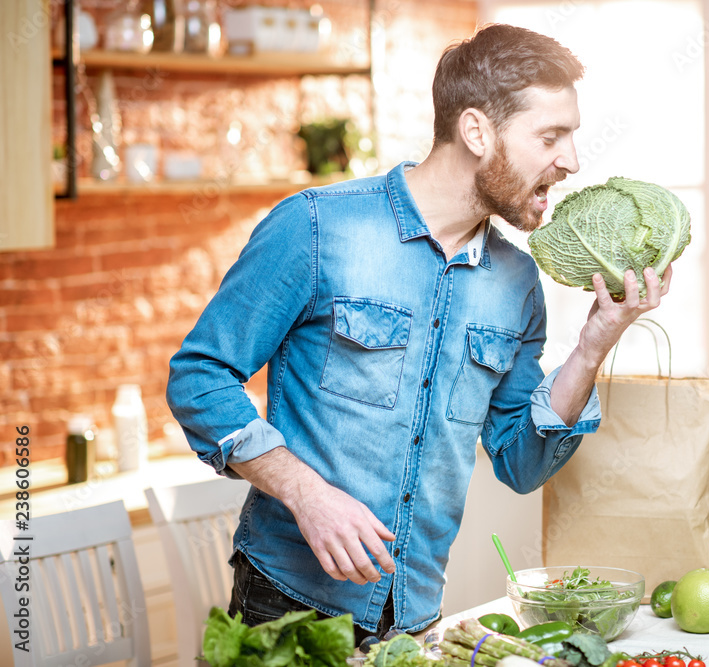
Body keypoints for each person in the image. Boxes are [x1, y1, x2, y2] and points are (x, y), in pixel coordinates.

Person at [166, 23, 672, 645]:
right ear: (477, 131)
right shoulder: (318, 228)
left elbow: (520, 461)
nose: (571, 160)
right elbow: (199, 376)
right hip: (287, 607)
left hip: (417, 620)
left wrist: (596, 341)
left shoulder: (516, 282)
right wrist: (307, 495)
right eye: (550, 136)